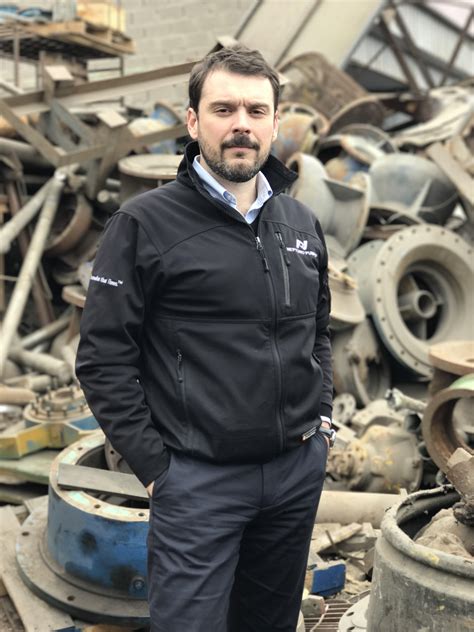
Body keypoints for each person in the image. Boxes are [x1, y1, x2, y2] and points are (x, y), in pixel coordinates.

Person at [76, 44, 335, 632]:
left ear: (275, 122)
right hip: (198, 484)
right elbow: (102, 360)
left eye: (256, 110)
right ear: (193, 122)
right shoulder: (143, 224)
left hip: (294, 475)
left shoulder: (300, 223)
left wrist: (320, 423)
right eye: (223, 109)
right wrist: (157, 468)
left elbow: (317, 332)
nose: (241, 124)